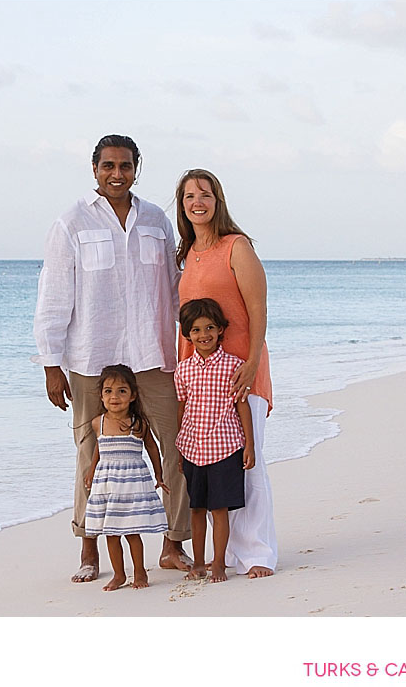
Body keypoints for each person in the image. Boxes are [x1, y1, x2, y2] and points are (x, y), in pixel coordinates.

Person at [32, 134, 192, 583]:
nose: (117, 174)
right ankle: (89, 548)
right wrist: (51, 364)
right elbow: (54, 295)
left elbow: (176, 286)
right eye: (108, 166)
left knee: (176, 448)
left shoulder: (157, 220)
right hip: (91, 360)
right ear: (94, 168)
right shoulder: (71, 223)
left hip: (153, 357)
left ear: (137, 168)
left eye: (125, 165)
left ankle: (174, 543)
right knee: (91, 456)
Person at [175, 168, 278, 578]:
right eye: (188, 197)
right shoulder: (187, 255)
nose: (197, 202)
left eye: (204, 194)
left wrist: (251, 364)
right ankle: (230, 553)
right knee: (212, 469)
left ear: (217, 200)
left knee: (247, 465)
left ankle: (258, 554)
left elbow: (258, 311)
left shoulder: (237, 247)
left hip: (238, 374)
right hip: (199, 377)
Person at [175, 299, 255, 583]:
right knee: (196, 508)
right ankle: (198, 563)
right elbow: (182, 408)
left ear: (221, 330)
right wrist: (179, 448)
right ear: (187, 335)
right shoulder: (183, 370)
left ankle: (219, 563)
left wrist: (250, 444)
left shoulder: (234, 366)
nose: (203, 334)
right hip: (193, 449)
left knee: (219, 509)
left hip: (225, 447)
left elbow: (241, 405)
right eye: (196, 330)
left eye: (210, 327)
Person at [83, 364, 170, 591]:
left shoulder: (138, 423)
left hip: (132, 482)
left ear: (132, 395)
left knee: (132, 531)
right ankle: (119, 574)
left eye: (122, 391)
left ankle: (139, 572)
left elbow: (152, 448)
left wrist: (159, 475)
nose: (115, 397)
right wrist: (91, 471)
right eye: (108, 391)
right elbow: (98, 449)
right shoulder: (98, 422)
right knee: (111, 533)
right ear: (101, 396)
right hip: (108, 483)